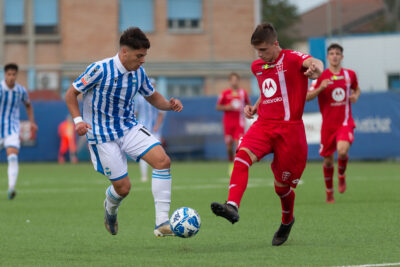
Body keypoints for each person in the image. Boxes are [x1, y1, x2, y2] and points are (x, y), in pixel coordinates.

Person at [210, 23, 323, 246]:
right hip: (264, 125)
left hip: (290, 130)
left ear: (276, 44)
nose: (260, 55)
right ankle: (232, 205)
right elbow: (269, 91)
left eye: (264, 50)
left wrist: (315, 71)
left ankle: (287, 220)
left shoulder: (292, 59)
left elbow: (315, 63)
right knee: (241, 156)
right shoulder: (257, 66)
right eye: (257, 51)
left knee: (281, 187)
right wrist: (255, 105)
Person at [65, 27, 183, 237]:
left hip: (129, 128)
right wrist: (78, 121)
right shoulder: (100, 69)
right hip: (101, 135)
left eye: (144, 56)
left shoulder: (139, 73)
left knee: (163, 160)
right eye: (140, 56)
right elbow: (71, 93)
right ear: (124, 52)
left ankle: (162, 223)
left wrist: (168, 104)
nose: (143, 60)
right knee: (123, 188)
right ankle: (110, 209)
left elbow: (152, 96)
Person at [306, 43, 360, 203]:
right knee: (328, 160)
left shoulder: (350, 75)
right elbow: (307, 97)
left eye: (337, 53)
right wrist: (321, 88)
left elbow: (357, 89)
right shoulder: (321, 77)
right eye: (332, 53)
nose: (335, 56)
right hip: (328, 126)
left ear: (341, 57)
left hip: (345, 121)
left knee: (342, 151)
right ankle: (329, 192)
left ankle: (341, 175)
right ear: (328, 57)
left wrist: (356, 95)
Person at [0, 63, 38, 199]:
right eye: (8, 74)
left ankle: (11, 188)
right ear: (5, 75)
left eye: (13, 74)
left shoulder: (21, 91)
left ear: (16, 75)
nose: (11, 77)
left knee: (12, 157)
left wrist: (32, 122)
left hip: (12, 129)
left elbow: (28, 105)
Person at [216, 73, 251, 174]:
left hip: (239, 123)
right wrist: (227, 107)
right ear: (230, 81)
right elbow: (218, 107)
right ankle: (231, 163)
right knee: (229, 147)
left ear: (238, 81)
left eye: (236, 80)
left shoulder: (243, 93)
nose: (234, 82)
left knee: (238, 145)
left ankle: (238, 166)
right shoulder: (225, 93)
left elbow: (248, 105)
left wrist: (247, 110)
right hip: (228, 123)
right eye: (233, 80)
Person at [135, 78, 165, 182]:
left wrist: (157, 125)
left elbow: (161, 114)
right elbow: (135, 113)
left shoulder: (158, 97)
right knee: (144, 153)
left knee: (157, 153)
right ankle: (144, 175)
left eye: (153, 84)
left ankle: (155, 175)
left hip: (155, 129)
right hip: (143, 128)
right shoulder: (139, 98)